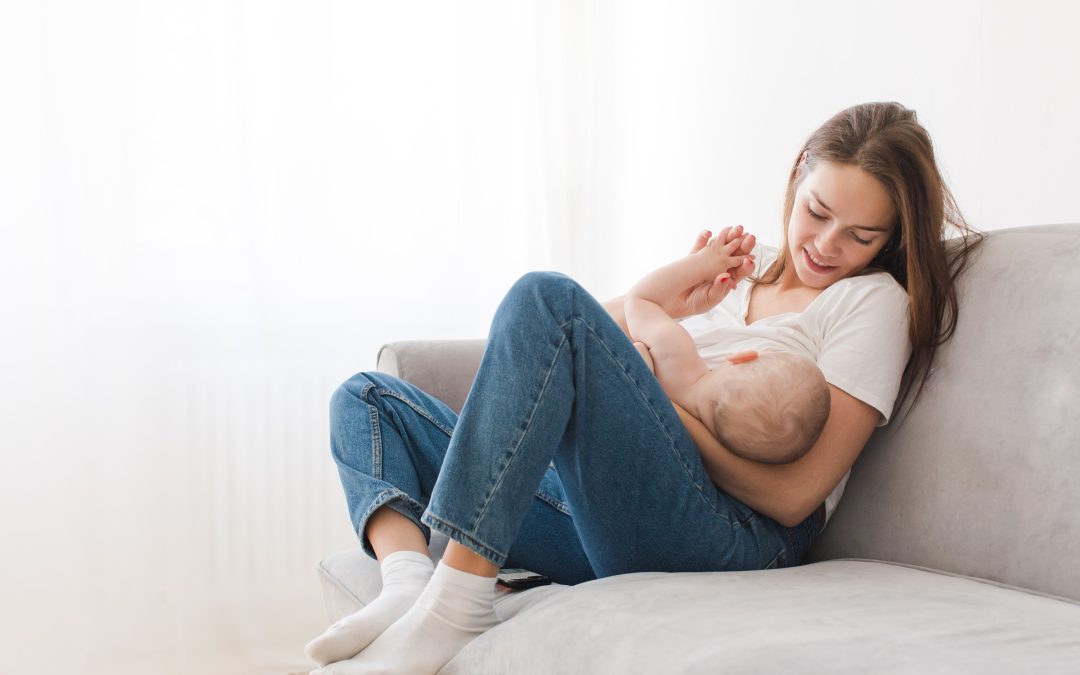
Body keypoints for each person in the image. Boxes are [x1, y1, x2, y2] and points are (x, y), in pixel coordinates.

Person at [305, 101, 983, 674]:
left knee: (547, 294)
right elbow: (551, 349)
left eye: (861, 234)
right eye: (817, 211)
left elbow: (793, 494)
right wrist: (668, 312)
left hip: (730, 531)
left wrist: (667, 398)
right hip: (613, 506)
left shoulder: (872, 302)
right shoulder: (741, 266)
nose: (826, 245)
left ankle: (456, 603)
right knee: (367, 401)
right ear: (798, 171)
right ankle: (407, 583)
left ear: (891, 239)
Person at [625, 226, 830, 465]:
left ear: (742, 357)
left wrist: (700, 265)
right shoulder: (700, 446)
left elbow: (640, 299)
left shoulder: (677, 354)